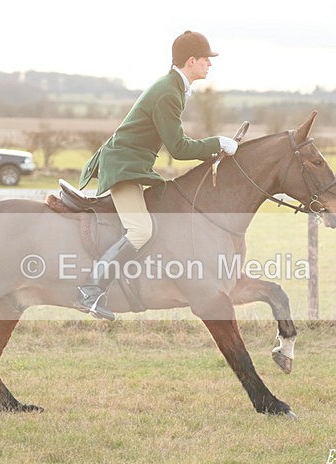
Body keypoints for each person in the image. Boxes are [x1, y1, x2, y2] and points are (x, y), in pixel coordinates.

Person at [76, 30, 239, 320]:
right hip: (123, 167)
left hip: (134, 166)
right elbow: (178, 147)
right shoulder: (168, 92)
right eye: (206, 59)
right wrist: (217, 143)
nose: (209, 65)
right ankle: (90, 290)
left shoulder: (174, 88)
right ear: (191, 61)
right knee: (141, 230)